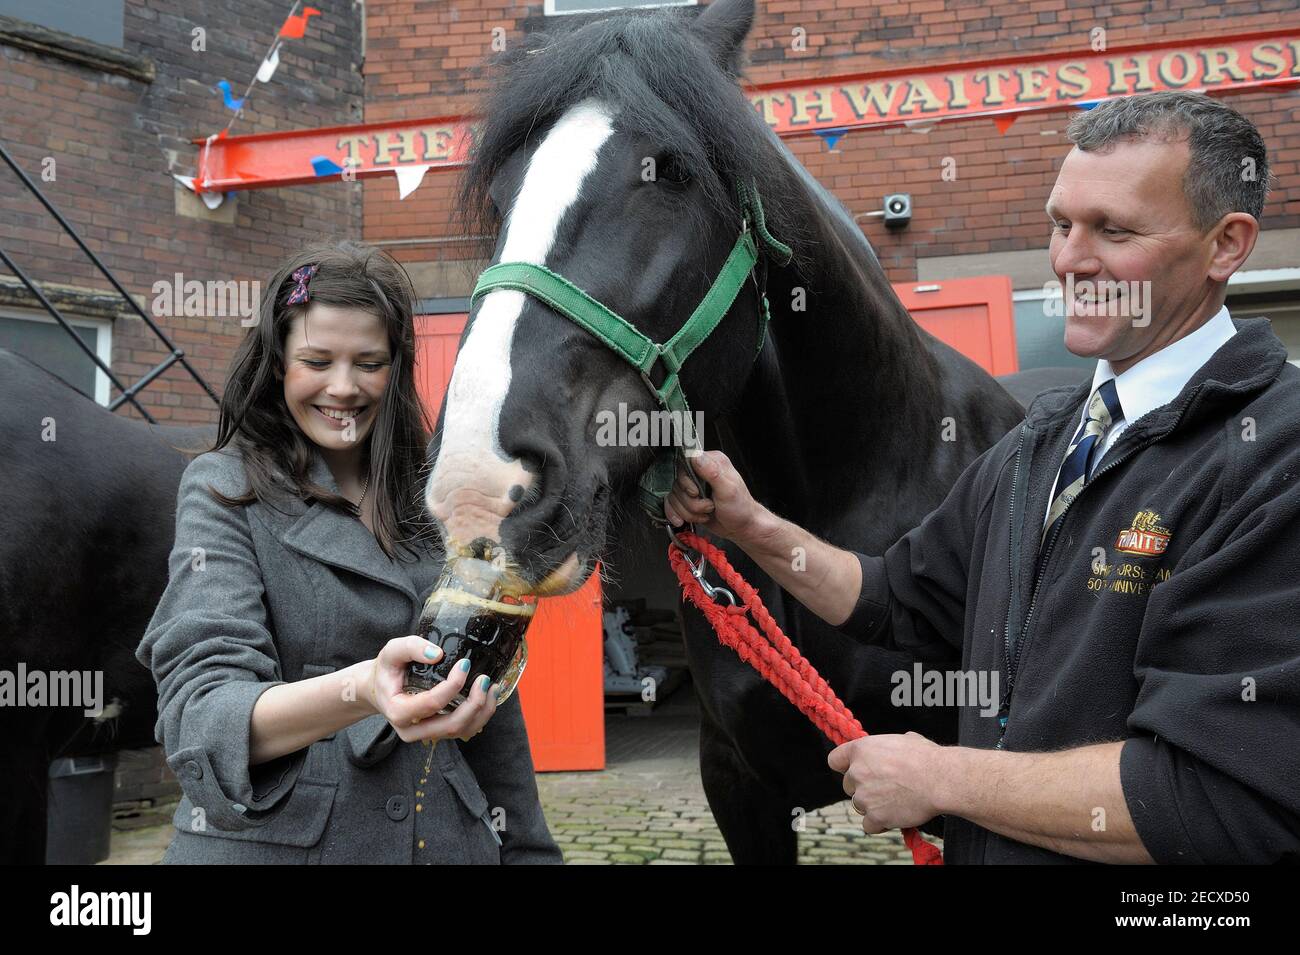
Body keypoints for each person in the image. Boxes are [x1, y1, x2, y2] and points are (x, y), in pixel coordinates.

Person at [665, 91, 1300, 864]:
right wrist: (751, 526)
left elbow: (1215, 798)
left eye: (1114, 230)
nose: (1070, 259)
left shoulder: (1274, 457)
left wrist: (945, 777)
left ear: (1226, 246)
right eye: (1061, 224)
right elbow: (889, 597)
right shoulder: (1040, 441)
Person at [138, 241, 561, 864]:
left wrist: (529, 852)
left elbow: (494, 708)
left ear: (397, 367)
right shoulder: (224, 489)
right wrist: (363, 689)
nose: (343, 387)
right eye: (316, 359)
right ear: (277, 361)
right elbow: (203, 716)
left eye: (369, 362)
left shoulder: (438, 496)